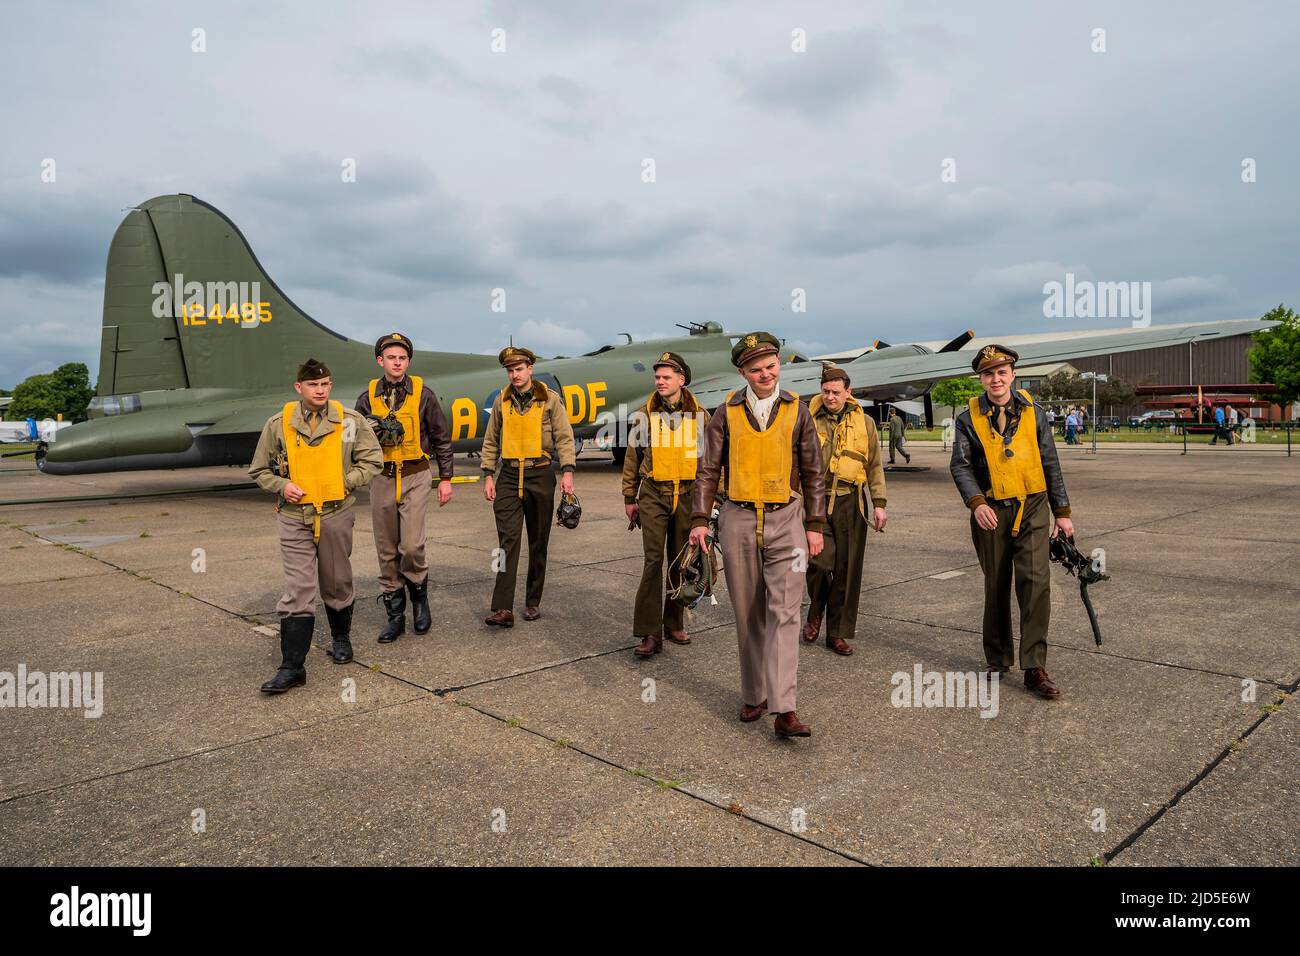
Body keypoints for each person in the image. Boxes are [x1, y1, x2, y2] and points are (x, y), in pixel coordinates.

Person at [689, 331, 827, 738]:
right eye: (756, 369)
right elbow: (708, 469)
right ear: (742, 372)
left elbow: (815, 471)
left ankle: (785, 709)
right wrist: (700, 518)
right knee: (748, 612)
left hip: (788, 518)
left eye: (771, 366)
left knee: (785, 613)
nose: (765, 374)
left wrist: (815, 525)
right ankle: (754, 694)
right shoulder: (724, 412)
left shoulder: (798, 411)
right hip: (738, 518)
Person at [248, 358, 383, 690]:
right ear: (299, 388)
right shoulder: (278, 425)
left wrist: (345, 481)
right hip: (295, 517)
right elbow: (259, 470)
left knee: (336, 581)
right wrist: (283, 486)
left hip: (336, 512)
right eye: (313, 385)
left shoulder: (348, 421)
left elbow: (373, 458)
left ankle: (341, 638)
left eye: (325, 384)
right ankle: (292, 667)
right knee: (298, 589)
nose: (320, 390)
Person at [949, 345, 1075, 700]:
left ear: (1013, 374)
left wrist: (1062, 512)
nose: (996, 379)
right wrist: (975, 503)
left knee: (1035, 584)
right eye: (989, 374)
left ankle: (1034, 666)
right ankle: (997, 657)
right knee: (996, 584)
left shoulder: (1035, 412)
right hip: (991, 510)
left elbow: (1050, 461)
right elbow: (960, 465)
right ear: (981, 379)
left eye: (1001, 372)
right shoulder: (966, 418)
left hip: (1032, 506)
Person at [356, 333, 455, 644]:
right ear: (380, 361)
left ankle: (420, 600)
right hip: (382, 478)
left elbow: (441, 438)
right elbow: (354, 440)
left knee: (411, 546)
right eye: (391, 357)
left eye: (402, 358)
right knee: (386, 550)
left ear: (408, 362)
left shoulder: (424, 394)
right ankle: (395, 616)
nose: (397, 362)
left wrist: (447, 479)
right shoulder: (366, 397)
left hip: (415, 475)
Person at [480, 346, 576, 627]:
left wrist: (567, 472)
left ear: (530, 369)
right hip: (509, 476)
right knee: (506, 543)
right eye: (510, 370)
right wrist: (488, 474)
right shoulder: (502, 401)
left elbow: (564, 438)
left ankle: (532, 601)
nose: (514, 375)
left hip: (540, 474)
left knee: (538, 541)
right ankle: (502, 608)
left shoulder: (550, 400)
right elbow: (491, 440)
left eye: (519, 369)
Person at [624, 352, 711, 658]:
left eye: (666, 377)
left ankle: (673, 623)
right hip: (653, 494)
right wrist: (628, 498)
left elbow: (710, 463)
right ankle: (650, 632)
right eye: (657, 377)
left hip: (688, 495)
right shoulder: (642, 416)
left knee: (680, 562)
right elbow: (632, 459)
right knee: (652, 562)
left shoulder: (701, 416)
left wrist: (712, 502)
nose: (660, 382)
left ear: (681, 380)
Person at [803, 364, 887, 656]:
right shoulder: (806, 418)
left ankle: (836, 633)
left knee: (846, 571)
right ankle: (815, 611)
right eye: (825, 391)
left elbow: (874, 465)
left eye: (836, 392)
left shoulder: (865, 424)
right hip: (814, 501)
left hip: (850, 499)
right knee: (818, 564)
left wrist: (879, 504)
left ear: (848, 392)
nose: (830, 397)